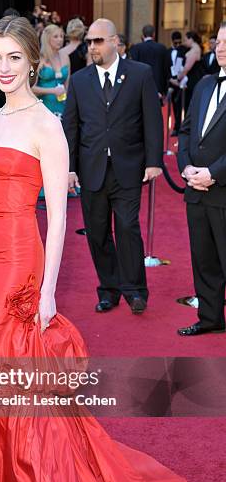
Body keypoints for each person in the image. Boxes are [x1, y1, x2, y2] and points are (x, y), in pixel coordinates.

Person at [0, 15, 204, 482]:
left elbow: (59, 219)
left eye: (15, 58)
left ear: (33, 62)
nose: (5, 68)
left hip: (18, 259)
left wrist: (46, 290)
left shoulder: (47, 125)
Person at [63, 18, 163, 315]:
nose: (92, 47)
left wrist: (154, 161)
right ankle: (109, 289)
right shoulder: (80, 80)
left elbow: (152, 121)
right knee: (97, 231)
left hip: (128, 167)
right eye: (89, 42)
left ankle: (135, 290)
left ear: (115, 42)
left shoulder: (140, 75)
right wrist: (69, 168)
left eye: (98, 41)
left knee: (128, 228)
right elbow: (71, 127)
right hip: (91, 168)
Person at [177, 22, 226, 336]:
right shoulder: (205, 84)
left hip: (222, 191)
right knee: (204, 260)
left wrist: (214, 173)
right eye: (218, 41)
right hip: (196, 191)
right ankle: (210, 318)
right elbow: (186, 132)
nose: (220, 47)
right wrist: (187, 168)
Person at [33, 23, 70, 120]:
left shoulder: (65, 57)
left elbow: (67, 84)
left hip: (62, 106)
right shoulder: (39, 59)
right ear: (47, 38)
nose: (60, 39)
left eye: (62, 36)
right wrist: (52, 91)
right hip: (44, 107)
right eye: (56, 37)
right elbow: (31, 88)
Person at [130, 24, 168, 98]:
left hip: (141, 84)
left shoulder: (137, 48)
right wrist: (164, 88)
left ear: (143, 34)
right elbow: (165, 69)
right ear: (154, 34)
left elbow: (133, 68)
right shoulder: (162, 48)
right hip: (158, 85)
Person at [170, 31, 203, 113]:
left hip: (192, 81)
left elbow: (186, 68)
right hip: (191, 80)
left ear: (191, 39)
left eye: (185, 40)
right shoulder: (194, 49)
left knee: (188, 106)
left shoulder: (194, 50)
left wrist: (178, 79)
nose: (184, 43)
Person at [166, 30, 188, 136]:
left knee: (182, 105)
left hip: (183, 81)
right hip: (172, 81)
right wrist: (171, 79)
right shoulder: (168, 51)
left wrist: (180, 80)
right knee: (174, 105)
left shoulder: (184, 50)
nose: (178, 45)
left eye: (179, 43)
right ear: (172, 42)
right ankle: (176, 126)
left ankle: (182, 127)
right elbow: (166, 67)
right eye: (176, 43)